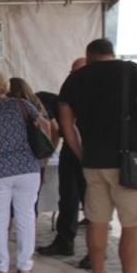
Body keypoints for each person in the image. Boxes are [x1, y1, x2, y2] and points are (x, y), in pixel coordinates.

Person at [59, 38, 137, 273]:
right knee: (132, 225)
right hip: (129, 160)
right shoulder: (132, 71)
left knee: (97, 221)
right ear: (112, 53)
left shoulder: (74, 80)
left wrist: (79, 150)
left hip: (93, 161)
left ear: (89, 55)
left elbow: (66, 122)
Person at [0, 69, 50, 273]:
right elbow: (45, 123)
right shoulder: (22, 104)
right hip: (27, 166)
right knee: (26, 216)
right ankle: (25, 265)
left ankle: (1, 266)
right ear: (3, 84)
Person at [38, 58, 89, 259]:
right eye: (72, 71)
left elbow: (57, 128)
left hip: (88, 150)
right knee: (67, 196)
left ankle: (93, 254)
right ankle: (64, 240)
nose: (72, 75)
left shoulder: (96, 92)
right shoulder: (69, 90)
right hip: (71, 150)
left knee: (90, 201)